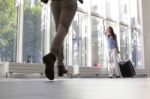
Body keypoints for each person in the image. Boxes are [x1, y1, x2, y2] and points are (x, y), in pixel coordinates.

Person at [41, 0, 83, 80]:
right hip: (69, 2)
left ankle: (60, 65)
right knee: (62, 29)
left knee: (60, 31)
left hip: (55, 2)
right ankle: (52, 56)